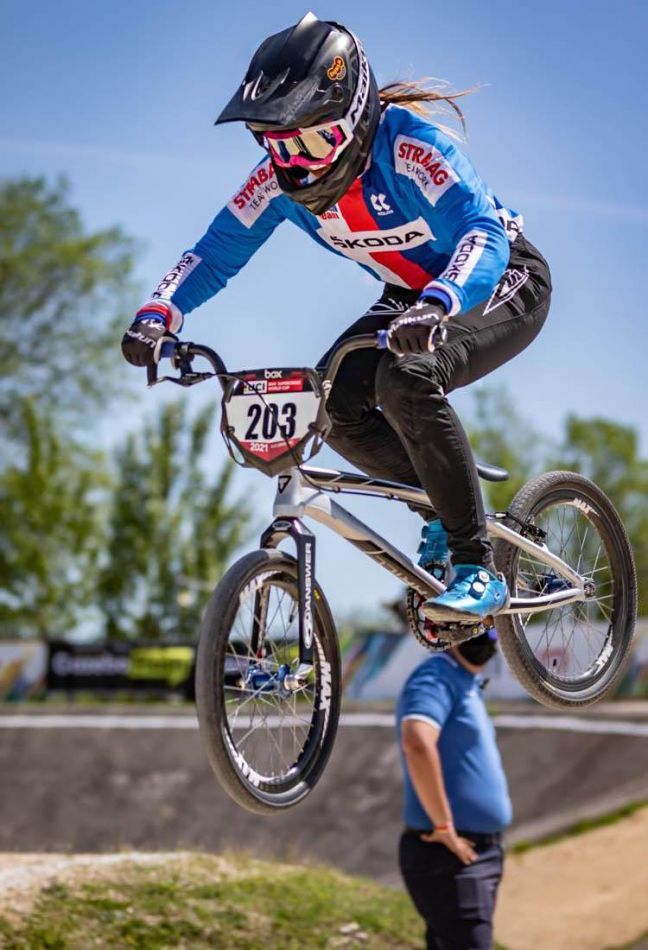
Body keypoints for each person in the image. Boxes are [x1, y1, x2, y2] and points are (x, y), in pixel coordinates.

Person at [121, 13, 552, 625]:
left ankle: (475, 564)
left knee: (405, 381)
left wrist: (441, 301)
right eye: (280, 144)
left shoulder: (411, 148)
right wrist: (158, 312)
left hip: (497, 278)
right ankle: (440, 505)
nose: (301, 163)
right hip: (411, 294)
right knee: (333, 403)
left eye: (315, 141)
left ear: (353, 119)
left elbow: (481, 232)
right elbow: (214, 253)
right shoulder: (276, 183)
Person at [396, 632, 512, 949]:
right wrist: (444, 825)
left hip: (473, 851)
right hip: (448, 851)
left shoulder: (465, 681)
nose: (485, 635)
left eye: (490, 625)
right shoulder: (437, 673)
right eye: (474, 625)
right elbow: (417, 741)